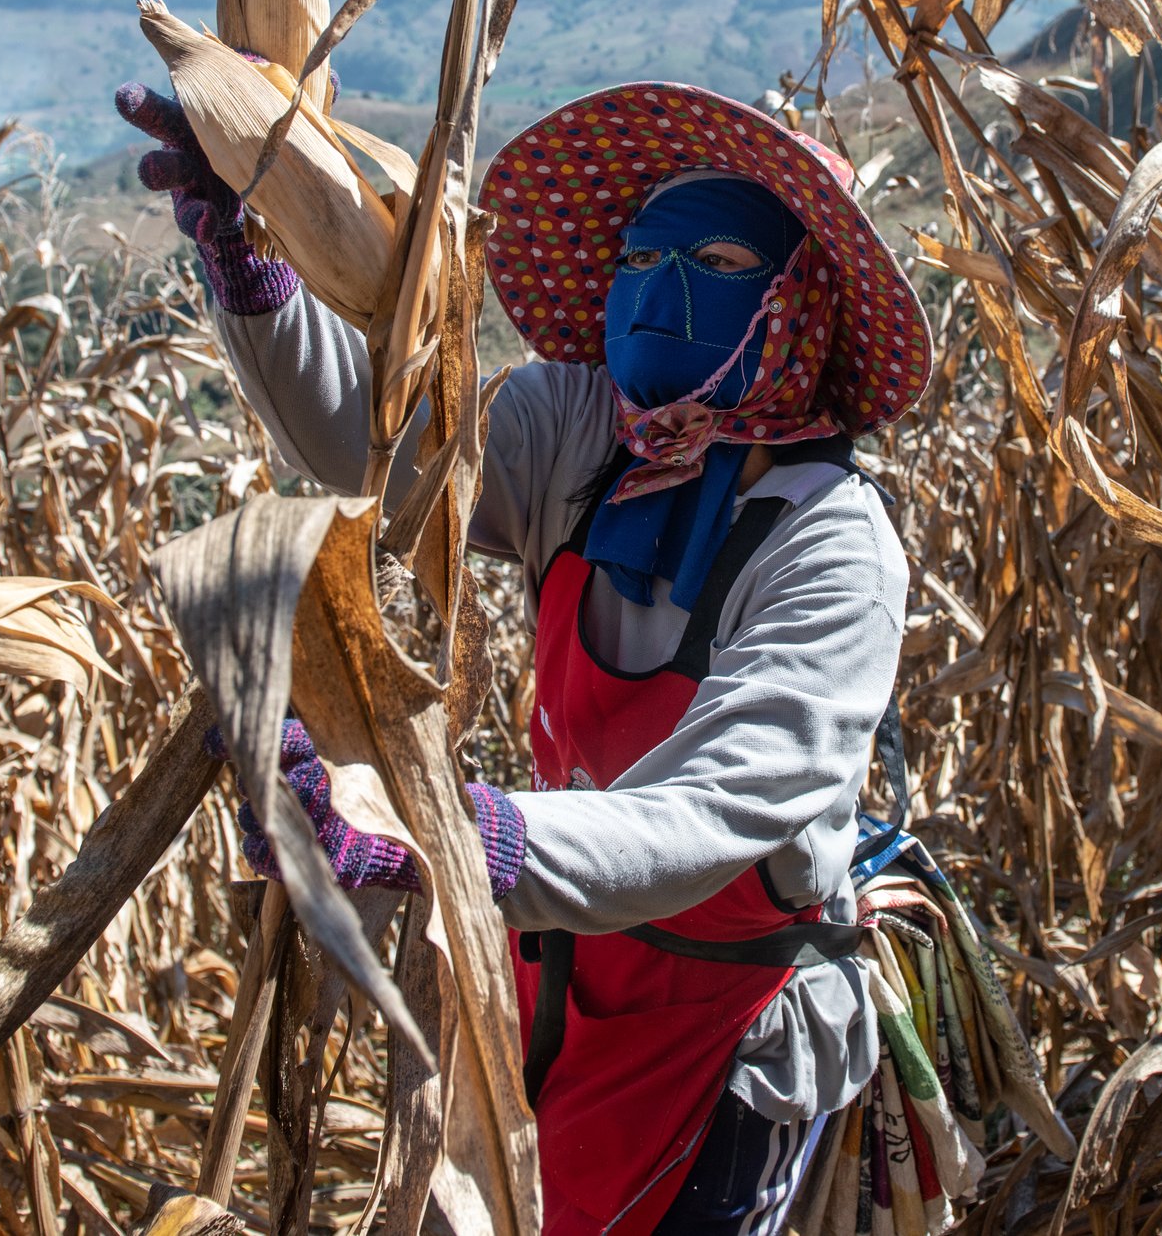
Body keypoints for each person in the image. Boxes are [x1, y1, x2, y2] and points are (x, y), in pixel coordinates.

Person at [117, 77, 933, 1236]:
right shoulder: (579, 426)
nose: (659, 290)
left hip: (723, 1022)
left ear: (800, 297)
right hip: (548, 979)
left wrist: (452, 835)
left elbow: (714, 813)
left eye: (714, 258)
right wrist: (257, 270)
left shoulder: (833, 545)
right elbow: (386, 448)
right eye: (641, 260)